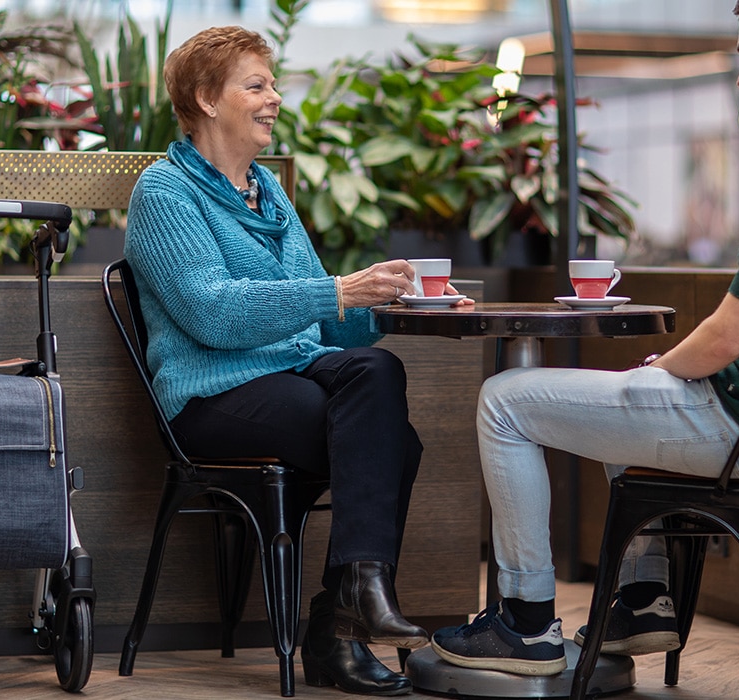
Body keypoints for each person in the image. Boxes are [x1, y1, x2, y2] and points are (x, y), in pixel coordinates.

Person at [430, 0, 739, 677]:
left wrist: (662, 368)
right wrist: (660, 372)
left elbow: (726, 337)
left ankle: (527, 625)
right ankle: (643, 598)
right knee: (635, 389)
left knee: (504, 400)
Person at [124, 26, 471, 696]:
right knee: (391, 443)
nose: (275, 99)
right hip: (211, 397)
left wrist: (402, 307)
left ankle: (351, 603)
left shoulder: (268, 193)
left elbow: (319, 319)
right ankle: (336, 626)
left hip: (290, 379)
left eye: (272, 85)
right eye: (257, 85)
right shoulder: (164, 192)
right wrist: (339, 288)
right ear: (205, 97)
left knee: (378, 375)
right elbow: (214, 314)